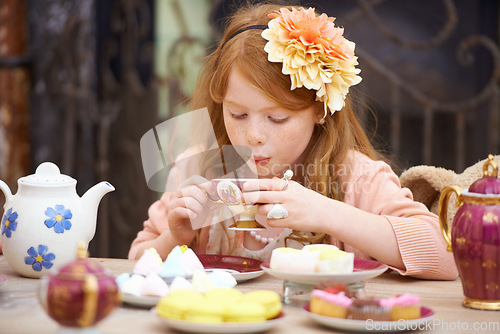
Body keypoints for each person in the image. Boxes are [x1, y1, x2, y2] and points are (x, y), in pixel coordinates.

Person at [129, 3, 457, 280]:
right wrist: (177, 236)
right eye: (238, 115)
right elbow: (135, 263)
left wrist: (325, 212)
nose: (253, 135)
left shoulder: (356, 177)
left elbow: (446, 258)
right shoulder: (199, 166)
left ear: (319, 110)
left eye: (277, 118)